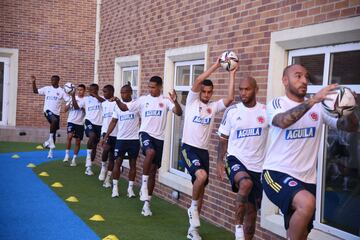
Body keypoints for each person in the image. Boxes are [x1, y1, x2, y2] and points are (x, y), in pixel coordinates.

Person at [262, 64, 359, 240]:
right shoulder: (277, 103)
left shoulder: (319, 109)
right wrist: (314, 99)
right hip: (276, 173)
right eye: (298, 76)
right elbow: (282, 121)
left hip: (307, 179)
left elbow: (350, 127)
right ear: (285, 80)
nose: (304, 80)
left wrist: (349, 108)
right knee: (307, 203)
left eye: (306, 77)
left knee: (302, 234)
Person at [180, 58, 237, 240]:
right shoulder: (191, 102)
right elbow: (197, 81)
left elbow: (229, 99)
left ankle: (193, 231)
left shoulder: (212, 107)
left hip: (203, 152)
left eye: (209, 92)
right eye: (203, 91)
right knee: (201, 176)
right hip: (188, 148)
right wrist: (216, 65)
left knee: (202, 188)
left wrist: (232, 74)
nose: (206, 94)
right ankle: (193, 208)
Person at [115, 76, 182, 216]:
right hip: (145, 134)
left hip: (160, 139)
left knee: (153, 171)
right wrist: (116, 100)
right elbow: (124, 108)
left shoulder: (165, 101)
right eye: (149, 87)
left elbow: (178, 112)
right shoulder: (143, 100)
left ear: (160, 87)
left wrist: (175, 101)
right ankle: (143, 186)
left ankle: (147, 205)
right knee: (150, 152)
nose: (150, 89)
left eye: (153, 87)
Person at [216, 77, 268, 240]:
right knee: (245, 183)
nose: (243, 93)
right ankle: (237, 228)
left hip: (258, 167)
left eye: (247, 89)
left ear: (256, 90)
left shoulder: (266, 112)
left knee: (252, 217)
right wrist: (219, 162)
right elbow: (223, 139)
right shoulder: (232, 111)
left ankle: (244, 234)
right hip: (235, 160)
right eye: (241, 89)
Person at [100, 84, 140, 198]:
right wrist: (105, 137)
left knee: (133, 164)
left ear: (131, 92)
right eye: (121, 92)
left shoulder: (135, 105)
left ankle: (130, 189)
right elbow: (113, 122)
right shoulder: (116, 107)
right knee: (118, 162)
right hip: (121, 138)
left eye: (125, 92)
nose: (123, 94)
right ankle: (115, 188)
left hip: (134, 139)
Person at [31, 75, 69, 158]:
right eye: (52, 80)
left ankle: (50, 151)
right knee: (54, 121)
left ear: (58, 81)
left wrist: (68, 101)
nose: (52, 81)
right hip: (47, 111)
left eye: (54, 80)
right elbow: (35, 91)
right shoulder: (47, 88)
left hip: (56, 114)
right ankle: (49, 140)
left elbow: (68, 100)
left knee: (54, 132)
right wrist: (34, 81)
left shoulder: (61, 91)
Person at [76, 83, 105, 176]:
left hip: (100, 124)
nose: (91, 92)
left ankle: (89, 166)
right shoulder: (86, 99)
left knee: (95, 146)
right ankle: (88, 162)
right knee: (92, 136)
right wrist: (73, 96)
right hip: (89, 122)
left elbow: (104, 102)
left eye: (94, 90)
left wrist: (96, 95)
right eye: (90, 90)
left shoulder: (101, 98)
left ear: (97, 90)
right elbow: (77, 107)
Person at [98, 85, 118, 188]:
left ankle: (108, 179)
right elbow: (104, 119)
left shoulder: (117, 103)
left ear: (111, 92)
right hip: (105, 131)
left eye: (105, 92)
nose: (104, 93)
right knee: (105, 149)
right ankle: (103, 167)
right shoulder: (103, 104)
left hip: (116, 133)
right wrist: (103, 134)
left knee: (112, 157)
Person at [63, 84, 86, 166]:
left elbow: (77, 107)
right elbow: (65, 110)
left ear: (84, 91)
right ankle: (67, 155)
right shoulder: (71, 98)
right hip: (71, 121)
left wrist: (73, 99)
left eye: (81, 90)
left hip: (80, 123)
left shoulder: (85, 100)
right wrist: (69, 104)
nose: (79, 91)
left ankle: (74, 159)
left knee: (78, 141)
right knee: (69, 136)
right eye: (78, 90)